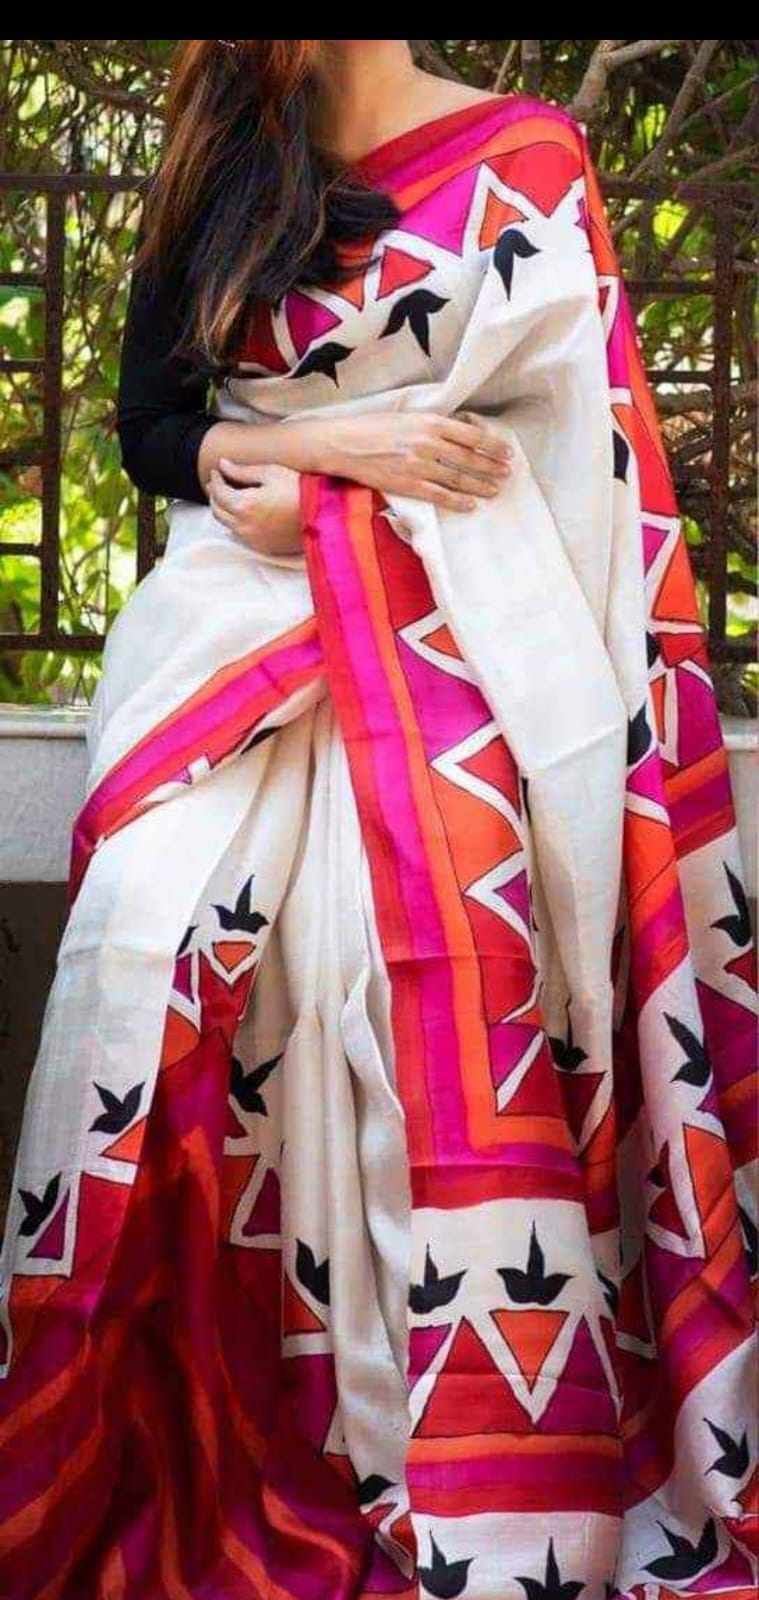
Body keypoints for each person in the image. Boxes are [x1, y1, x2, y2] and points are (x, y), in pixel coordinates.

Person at [0, 39, 756, 1600]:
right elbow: (154, 431)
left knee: (448, 927)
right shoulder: (222, 161)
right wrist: (324, 453)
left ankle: (451, 1445)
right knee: (152, 923)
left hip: (472, 637)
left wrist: (362, 507)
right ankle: (205, 1406)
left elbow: (575, 461)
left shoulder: (523, 162)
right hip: (234, 630)